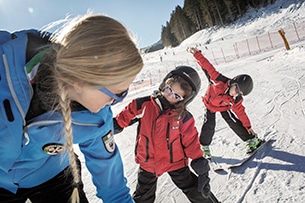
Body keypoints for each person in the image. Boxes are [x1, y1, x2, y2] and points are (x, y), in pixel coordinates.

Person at [0, 14, 143, 203]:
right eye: (117, 94)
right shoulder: (5, 69)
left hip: (54, 174)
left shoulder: (97, 119)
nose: (113, 103)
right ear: (80, 81)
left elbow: (113, 187)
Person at [114, 66, 212, 203]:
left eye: (177, 96)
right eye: (169, 89)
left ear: (184, 100)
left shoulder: (183, 117)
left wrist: (201, 166)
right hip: (148, 162)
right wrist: (112, 126)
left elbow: (191, 142)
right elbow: (126, 115)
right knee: (143, 197)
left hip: (175, 162)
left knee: (196, 190)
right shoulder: (144, 105)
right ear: (165, 84)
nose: (170, 95)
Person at [189, 47, 261, 158]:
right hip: (210, 104)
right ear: (233, 83)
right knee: (209, 124)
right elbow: (207, 66)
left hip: (223, 107)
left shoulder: (235, 99)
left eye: (239, 93)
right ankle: (204, 147)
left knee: (232, 121)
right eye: (236, 90)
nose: (236, 94)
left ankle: (251, 140)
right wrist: (197, 54)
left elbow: (241, 113)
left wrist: (248, 126)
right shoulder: (218, 80)